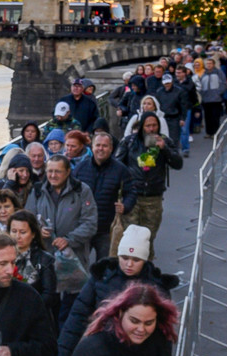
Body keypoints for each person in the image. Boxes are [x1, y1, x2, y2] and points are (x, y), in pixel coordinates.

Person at [55, 225, 179, 356]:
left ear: (145, 260)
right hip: (100, 352)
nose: (129, 264)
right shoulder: (102, 277)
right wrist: (63, 353)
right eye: (124, 258)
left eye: (136, 259)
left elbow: (163, 335)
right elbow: (78, 314)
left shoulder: (157, 288)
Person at [25, 154, 97, 325]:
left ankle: (68, 338)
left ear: (67, 172)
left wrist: (69, 239)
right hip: (46, 256)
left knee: (73, 302)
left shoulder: (81, 190)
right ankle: (54, 336)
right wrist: (37, 230)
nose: (53, 175)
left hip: (74, 255)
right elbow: (28, 218)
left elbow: (90, 223)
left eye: (58, 171)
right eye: (49, 171)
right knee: (51, 299)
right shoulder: (37, 190)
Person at [7, 211, 58, 356]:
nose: (18, 236)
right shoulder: (2, 257)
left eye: (23, 232)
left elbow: (50, 294)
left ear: (33, 234)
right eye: (13, 231)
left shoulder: (44, 260)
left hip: (35, 324)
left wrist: (27, 307)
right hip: (9, 324)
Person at [113, 112, 183, 260]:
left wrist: (164, 149)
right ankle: (129, 269)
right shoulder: (129, 142)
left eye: (154, 125)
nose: (151, 129)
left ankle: (146, 268)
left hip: (153, 197)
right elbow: (116, 166)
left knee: (147, 238)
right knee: (130, 237)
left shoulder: (165, 141)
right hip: (132, 196)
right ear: (141, 127)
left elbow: (178, 164)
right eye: (148, 126)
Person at [73, 132, 137, 263]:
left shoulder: (121, 170)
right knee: (78, 266)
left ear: (111, 149)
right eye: (98, 145)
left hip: (107, 228)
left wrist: (126, 206)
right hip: (83, 226)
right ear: (92, 147)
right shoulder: (81, 168)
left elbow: (131, 191)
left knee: (105, 267)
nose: (101, 149)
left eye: (105, 146)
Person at [153, 73, 186, 145]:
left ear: (171, 82)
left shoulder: (179, 91)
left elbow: (183, 105)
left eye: (168, 83)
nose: (167, 85)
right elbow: (157, 105)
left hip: (174, 118)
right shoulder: (159, 92)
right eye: (165, 83)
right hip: (163, 118)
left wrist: (182, 118)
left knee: (174, 139)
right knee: (162, 138)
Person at [199, 57, 227, 137]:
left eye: (210, 63)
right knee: (207, 117)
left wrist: (218, 93)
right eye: (207, 64)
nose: (208, 65)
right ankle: (209, 132)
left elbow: (224, 84)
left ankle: (216, 133)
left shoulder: (219, 73)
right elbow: (200, 85)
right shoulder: (203, 74)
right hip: (206, 99)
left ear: (213, 64)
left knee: (215, 117)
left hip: (216, 99)